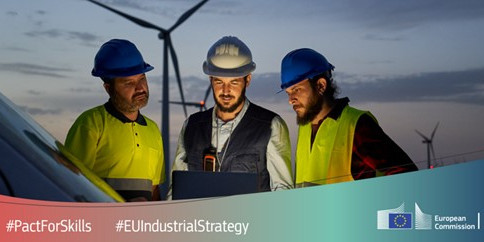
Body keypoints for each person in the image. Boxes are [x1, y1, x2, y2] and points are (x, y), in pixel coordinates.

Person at [280, 48, 418, 188]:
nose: (291, 100)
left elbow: (405, 175)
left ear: (321, 85)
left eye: (297, 90)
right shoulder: (305, 128)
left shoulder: (356, 125)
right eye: (288, 93)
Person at [171, 36, 293, 192]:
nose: (226, 91)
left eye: (234, 82)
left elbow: (282, 191)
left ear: (247, 79)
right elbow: (176, 189)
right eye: (219, 82)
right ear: (210, 80)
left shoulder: (270, 126)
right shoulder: (191, 126)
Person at [65, 39, 164, 201]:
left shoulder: (153, 130)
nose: (140, 88)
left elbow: (154, 190)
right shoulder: (90, 124)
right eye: (128, 83)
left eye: (142, 79)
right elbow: (72, 185)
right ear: (109, 88)